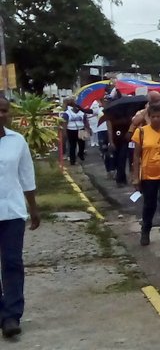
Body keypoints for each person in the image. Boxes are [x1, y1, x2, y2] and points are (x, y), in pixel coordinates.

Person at [0, 97, 42, 339]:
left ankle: (12, 315)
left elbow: (27, 176)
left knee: (12, 262)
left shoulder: (17, 142)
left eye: (5, 111)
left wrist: (33, 208)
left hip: (12, 212)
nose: (1, 114)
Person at [131, 104, 160, 251]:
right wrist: (135, 177)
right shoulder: (141, 132)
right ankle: (145, 230)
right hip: (148, 173)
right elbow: (136, 156)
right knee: (149, 205)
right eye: (153, 117)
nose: (156, 119)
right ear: (149, 117)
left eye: (159, 116)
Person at [61, 100, 88, 165]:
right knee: (72, 146)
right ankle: (72, 160)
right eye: (77, 108)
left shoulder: (82, 113)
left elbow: (85, 121)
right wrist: (64, 132)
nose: (78, 109)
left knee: (82, 145)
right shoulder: (67, 113)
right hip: (71, 130)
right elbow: (65, 123)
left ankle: (80, 154)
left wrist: (88, 129)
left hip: (81, 130)